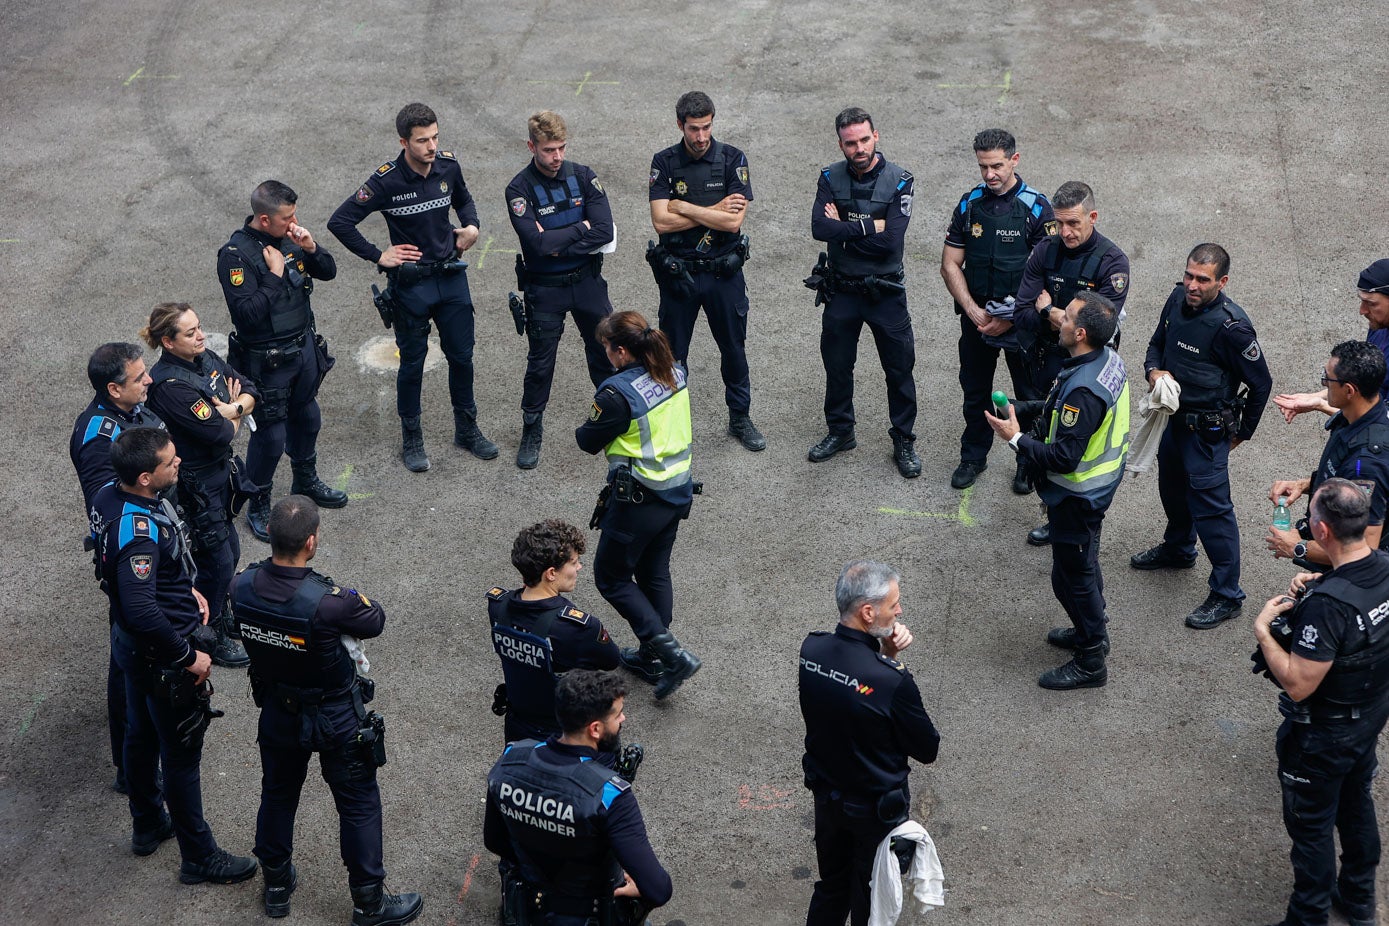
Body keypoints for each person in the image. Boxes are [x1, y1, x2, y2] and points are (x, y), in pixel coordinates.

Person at [231, 496, 422, 925]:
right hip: (337, 717)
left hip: (279, 710)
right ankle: (368, 904)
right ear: (311, 542)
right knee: (357, 805)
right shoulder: (331, 601)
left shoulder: (239, 585)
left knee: (277, 795)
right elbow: (376, 620)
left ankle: (277, 886)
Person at [95, 427, 257, 885]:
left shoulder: (113, 496)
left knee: (140, 736)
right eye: (169, 462)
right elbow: (142, 606)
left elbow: (142, 588)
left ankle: (147, 824)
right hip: (162, 658)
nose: (178, 463)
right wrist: (188, 656)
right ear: (146, 477)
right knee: (181, 758)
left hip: (131, 648)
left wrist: (182, 588)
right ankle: (199, 856)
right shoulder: (140, 533)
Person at [328, 102, 496, 472]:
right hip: (412, 287)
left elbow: (464, 199)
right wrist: (378, 255)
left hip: (452, 278)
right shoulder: (385, 181)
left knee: (462, 357)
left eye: (435, 137)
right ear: (403, 141)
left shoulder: (448, 166)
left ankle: (466, 430)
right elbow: (340, 221)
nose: (432, 147)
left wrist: (471, 226)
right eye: (422, 141)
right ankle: (412, 438)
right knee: (412, 365)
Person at [1252, 478, 1389, 926]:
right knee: (1355, 802)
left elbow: (1298, 683)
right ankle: (1358, 901)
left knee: (1310, 828)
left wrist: (1263, 630)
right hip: (1368, 716)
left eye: (1310, 521)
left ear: (1323, 532)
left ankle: (1307, 917)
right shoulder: (1383, 568)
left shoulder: (1329, 606)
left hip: (1322, 733)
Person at [986, 293, 1130, 688]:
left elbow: (1064, 455)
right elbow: (1058, 406)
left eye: (1065, 318)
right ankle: (1091, 629)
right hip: (1095, 492)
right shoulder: (1106, 359)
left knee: (1071, 578)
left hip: (1078, 496)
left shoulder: (1083, 390)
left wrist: (1015, 439)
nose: (1057, 320)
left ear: (1080, 333)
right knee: (1084, 567)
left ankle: (1091, 659)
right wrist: (1025, 407)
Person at [1132, 243, 1273, 630]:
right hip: (1172, 423)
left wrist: (1242, 433)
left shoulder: (1233, 328)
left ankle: (1228, 594)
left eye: (1202, 279)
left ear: (1222, 282)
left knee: (1213, 512)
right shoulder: (1176, 298)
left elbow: (1261, 384)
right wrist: (1153, 372)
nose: (1192, 285)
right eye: (1189, 275)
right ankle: (1179, 549)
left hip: (1207, 434)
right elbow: (1156, 343)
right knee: (1172, 491)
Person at [799, 560, 940, 926]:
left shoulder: (811, 651)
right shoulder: (892, 682)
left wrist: (884, 657)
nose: (900, 611)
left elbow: (854, 691)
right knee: (870, 895)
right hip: (874, 812)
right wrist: (894, 666)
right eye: (894, 604)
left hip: (827, 799)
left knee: (832, 887)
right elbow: (927, 748)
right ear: (867, 612)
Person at [575, 311, 701, 699]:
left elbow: (586, 440)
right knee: (654, 572)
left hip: (638, 501)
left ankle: (671, 654)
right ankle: (651, 655)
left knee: (611, 577)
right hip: (675, 491)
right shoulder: (673, 370)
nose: (606, 356)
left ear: (622, 351)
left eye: (607, 349)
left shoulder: (616, 395)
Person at [484, 670, 672, 926]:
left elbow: (495, 842)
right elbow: (658, 890)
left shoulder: (509, 761)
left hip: (525, 908)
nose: (623, 719)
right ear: (595, 729)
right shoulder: (611, 796)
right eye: (617, 715)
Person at [217, 179, 348, 542]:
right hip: (265, 360)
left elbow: (329, 271)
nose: (294, 222)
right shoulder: (236, 256)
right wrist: (274, 276)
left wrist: (311, 247)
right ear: (263, 219)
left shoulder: (291, 238)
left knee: (308, 417)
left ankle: (306, 482)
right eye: (287, 217)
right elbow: (246, 315)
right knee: (271, 437)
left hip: (302, 349)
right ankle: (259, 502)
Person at [1009, 181, 1130, 542]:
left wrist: (1046, 308)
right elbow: (1020, 314)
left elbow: (1099, 328)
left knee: (1071, 441)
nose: (1066, 232)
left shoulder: (1113, 262)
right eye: (1060, 223)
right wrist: (1061, 318)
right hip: (1047, 360)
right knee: (1044, 426)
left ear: (1092, 217)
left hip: (1085, 365)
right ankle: (1047, 501)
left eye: (1074, 223)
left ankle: (1070, 519)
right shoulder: (1046, 250)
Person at [647, 90, 765, 452]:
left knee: (733, 348)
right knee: (673, 355)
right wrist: (713, 208)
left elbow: (733, 223)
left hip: (723, 275)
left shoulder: (732, 158)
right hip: (678, 275)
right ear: (680, 124)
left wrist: (682, 206)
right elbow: (661, 223)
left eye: (707, 128)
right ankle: (671, 423)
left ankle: (740, 418)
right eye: (694, 129)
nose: (701, 137)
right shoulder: (664, 162)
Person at [71, 342, 165, 794]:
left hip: (148, 543)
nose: (148, 380)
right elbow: (106, 504)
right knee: (127, 662)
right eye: (139, 377)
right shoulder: (97, 436)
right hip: (130, 557)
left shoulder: (127, 413)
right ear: (113, 388)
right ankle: (130, 769)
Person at [807, 107, 921, 478]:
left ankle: (903, 439)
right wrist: (869, 225)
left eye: (864, 139)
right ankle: (841, 432)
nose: (858, 148)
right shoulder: (829, 176)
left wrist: (845, 227)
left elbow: (891, 242)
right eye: (850, 142)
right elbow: (819, 228)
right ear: (840, 143)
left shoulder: (900, 180)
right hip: (841, 291)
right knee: (837, 366)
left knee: (899, 369)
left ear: (877, 136)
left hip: (885, 292)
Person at [940, 129, 1056, 493]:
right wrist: (975, 314)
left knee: (1028, 396)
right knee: (975, 392)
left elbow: (1048, 276)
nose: (989, 174)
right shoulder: (970, 204)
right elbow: (949, 264)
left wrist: (1007, 318)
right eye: (982, 166)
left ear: (1015, 160)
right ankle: (973, 456)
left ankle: (1027, 462)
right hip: (977, 324)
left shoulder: (1037, 208)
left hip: (1021, 327)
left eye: (997, 166)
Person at [144, 302, 254, 668]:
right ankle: (209, 633)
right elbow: (219, 433)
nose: (201, 336)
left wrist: (231, 407)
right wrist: (233, 409)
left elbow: (251, 388)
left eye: (200, 327)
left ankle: (220, 614)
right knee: (218, 561)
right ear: (168, 342)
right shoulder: (170, 386)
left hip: (219, 476)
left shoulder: (204, 360)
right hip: (195, 484)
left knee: (231, 553)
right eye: (190, 333)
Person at [505, 111, 615, 470]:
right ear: (531, 146)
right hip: (545, 290)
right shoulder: (518, 189)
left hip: (586, 283)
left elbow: (604, 230)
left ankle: (611, 419)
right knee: (540, 364)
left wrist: (556, 243)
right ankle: (532, 429)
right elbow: (535, 246)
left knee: (606, 352)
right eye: (549, 149)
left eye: (561, 148)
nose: (557, 156)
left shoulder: (583, 176)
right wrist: (578, 228)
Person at [489, 519, 620, 744]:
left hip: (518, 724)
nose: (579, 567)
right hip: (564, 733)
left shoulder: (497, 607)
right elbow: (611, 660)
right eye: (574, 562)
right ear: (551, 573)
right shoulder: (577, 627)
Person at [1268, 342, 1389, 567]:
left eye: (1328, 379)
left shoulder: (1368, 464)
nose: (1324, 383)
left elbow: (1365, 550)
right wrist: (1306, 485)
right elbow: (1346, 477)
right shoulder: (1358, 416)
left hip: (1348, 576)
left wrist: (1298, 547)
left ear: (1349, 391)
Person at [1274, 259, 1389, 422]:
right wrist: (1316, 397)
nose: (1362, 311)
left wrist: (1320, 405)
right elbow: (1364, 385)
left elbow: (1382, 423)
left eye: (1371, 303)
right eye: (1362, 300)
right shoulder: (1380, 325)